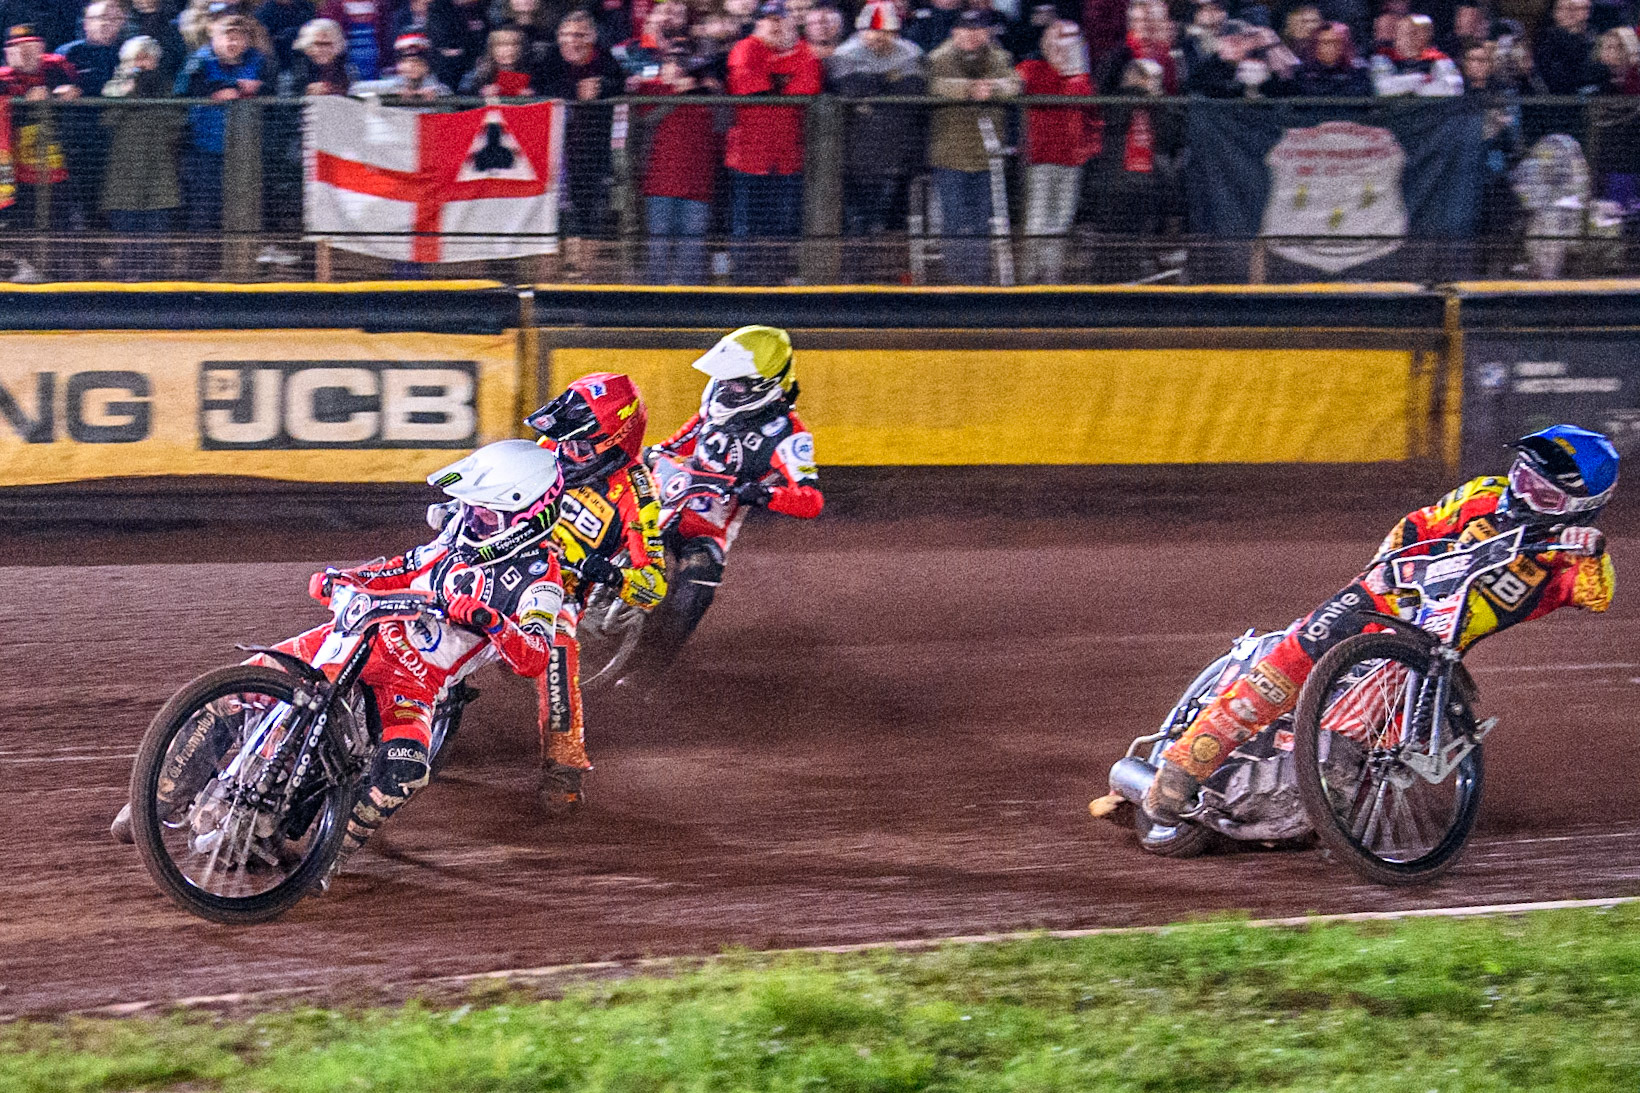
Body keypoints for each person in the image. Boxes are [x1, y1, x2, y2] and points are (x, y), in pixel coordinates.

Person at [113, 439, 569, 881]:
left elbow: (533, 657)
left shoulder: (540, 580)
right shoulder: (457, 538)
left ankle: (329, 854)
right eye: (470, 508)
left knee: (405, 772)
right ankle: (160, 797)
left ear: (527, 518)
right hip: (361, 632)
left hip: (412, 683)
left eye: (485, 514)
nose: (472, 520)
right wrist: (344, 578)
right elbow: (400, 567)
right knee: (245, 685)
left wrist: (490, 620)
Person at [1142, 425, 1620, 825]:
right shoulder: (1483, 495)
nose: (1521, 492)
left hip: (1429, 647)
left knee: (1372, 743)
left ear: (1581, 506)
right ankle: (1183, 767)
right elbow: (1417, 523)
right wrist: (1381, 570)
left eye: (1542, 492)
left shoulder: (1568, 562)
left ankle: (1315, 803)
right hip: (1382, 595)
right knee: (1294, 656)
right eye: (1521, 475)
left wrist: (1592, 549)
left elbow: (1599, 595)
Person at [639, 325, 823, 674]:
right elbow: (690, 435)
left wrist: (764, 493)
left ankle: (648, 673)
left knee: (698, 582)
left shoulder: (790, 435)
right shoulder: (716, 400)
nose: (725, 388)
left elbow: (811, 499)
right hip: (670, 496)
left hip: (708, 525)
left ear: (765, 386)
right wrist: (656, 452)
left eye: (735, 383)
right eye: (724, 380)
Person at [523, 374, 668, 813]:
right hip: (501, 555)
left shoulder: (638, 494)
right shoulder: (553, 448)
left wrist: (604, 570)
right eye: (566, 442)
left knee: (558, 649)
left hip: (559, 588)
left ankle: (564, 769)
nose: (569, 451)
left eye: (581, 445)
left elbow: (653, 586)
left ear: (614, 442)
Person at [724, 0, 822, 264]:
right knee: (745, 231)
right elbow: (751, 87)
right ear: (758, 23)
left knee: (782, 231)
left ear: (791, 23)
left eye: (780, 20)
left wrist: (778, 83)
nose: (775, 26)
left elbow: (807, 87)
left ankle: (776, 286)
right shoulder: (746, 47)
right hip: (749, 160)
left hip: (787, 159)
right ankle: (743, 288)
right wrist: (782, 83)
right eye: (769, 20)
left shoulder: (803, 51)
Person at [825, 0, 926, 251]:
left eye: (884, 32)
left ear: (895, 32)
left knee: (885, 228)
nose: (878, 36)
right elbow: (852, 90)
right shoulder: (845, 54)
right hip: (854, 157)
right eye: (872, 31)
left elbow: (911, 92)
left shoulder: (911, 52)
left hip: (895, 154)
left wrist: (874, 88)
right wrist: (888, 82)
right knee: (855, 226)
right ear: (861, 30)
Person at [927, 9, 1018, 284]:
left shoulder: (999, 57)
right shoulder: (938, 58)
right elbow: (933, 85)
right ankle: (956, 279)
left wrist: (991, 89)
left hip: (986, 156)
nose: (972, 35)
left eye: (978, 29)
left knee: (981, 223)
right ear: (955, 32)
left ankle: (976, 280)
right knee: (953, 222)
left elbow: (1014, 84)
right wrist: (967, 89)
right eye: (966, 29)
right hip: (950, 156)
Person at [630, 43, 721, 284]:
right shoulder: (651, 90)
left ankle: (688, 305)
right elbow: (646, 119)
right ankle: (655, 302)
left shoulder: (706, 95)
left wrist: (708, 91)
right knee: (657, 249)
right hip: (659, 184)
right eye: (671, 62)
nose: (677, 68)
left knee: (691, 251)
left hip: (698, 187)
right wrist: (677, 94)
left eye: (683, 63)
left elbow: (724, 122)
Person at [174, 9, 272, 231]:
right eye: (227, 34)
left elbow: (271, 90)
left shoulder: (259, 61)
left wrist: (242, 90)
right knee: (205, 212)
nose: (232, 41)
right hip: (205, 152)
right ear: (214, 37)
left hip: (246, 152)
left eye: (239, 36)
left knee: (246, 211)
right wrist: (235, 88)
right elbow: (184, 90)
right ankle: (201, 263)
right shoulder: (199, 60)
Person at [1016, 19, 1095, 284]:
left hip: (1072, 161)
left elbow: (1092, 116)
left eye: (1069, 43)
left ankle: (1052, 279)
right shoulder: (1032, 69)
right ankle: (1028, 279)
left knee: (1061, 223)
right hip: (1041, 159)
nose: (1062, 49)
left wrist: (1087, 149)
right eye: (1056, 42)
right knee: (1037, 223)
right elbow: (1017, 82)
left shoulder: (1081, 79)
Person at [101, 35, 184, 277]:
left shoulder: (168, 86)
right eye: (136, 58)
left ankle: (154, 284)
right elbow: (107, 120)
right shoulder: (114, 86)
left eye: (147, 58)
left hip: (158, 173)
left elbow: (177, 122)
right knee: (126, 238)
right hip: (123, 174)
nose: (142, 63)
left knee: (156, 238)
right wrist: (127, 92)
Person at [0, 23, 80, 236]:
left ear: (42, 47)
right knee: (24, 232)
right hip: (19, 177)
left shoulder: (58, 67)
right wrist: (23, 101)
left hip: (60, 172)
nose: (26, 54)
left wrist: (73, 91)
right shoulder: (3, 78)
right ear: (8, 54)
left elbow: (84, 86)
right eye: (18, 49)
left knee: (61, 231)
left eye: (32, 47)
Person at [1369, 12, 1461, 94]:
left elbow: (1452, 89)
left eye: (1417, 33)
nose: (1410, 39)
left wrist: (1409, 89)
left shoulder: (1440, 59)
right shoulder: (1383, 58)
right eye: (1406, 33)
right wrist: (1421, 79)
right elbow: (1382, 89)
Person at [351, 32, 451, 94]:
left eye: (417, 61)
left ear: (427, 66)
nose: (411, 66)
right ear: (398, 65)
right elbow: (354, 90)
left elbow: (448, 96)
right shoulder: (390, 87)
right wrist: (393, 94)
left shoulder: (439, 91)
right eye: (406, 61)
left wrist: (435, 95)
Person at [1290, 19, 1369, 94]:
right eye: (1325, 42)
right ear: (1315, 46)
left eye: (1335, 42)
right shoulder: (1302, 73)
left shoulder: (1358, 72)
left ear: (1344, 45)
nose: (1330, 47)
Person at [281, 17, 358, 93]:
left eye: (328, 44)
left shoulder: (349, 70)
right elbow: (285, 101)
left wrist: (333, 90)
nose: (323, 50)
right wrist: (306, 91)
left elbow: (357, 97)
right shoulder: (290, 73)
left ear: (339, 46)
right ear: (306, 47)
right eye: (318, 44)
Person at [459, 24, 535, 92]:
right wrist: (480, 93)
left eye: (514, 44)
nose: (508, 50)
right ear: (491, 49)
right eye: (500, 45)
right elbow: (460, 100)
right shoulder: (477, 74)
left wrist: (533, 96)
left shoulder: (535, 72)